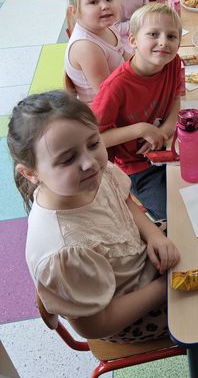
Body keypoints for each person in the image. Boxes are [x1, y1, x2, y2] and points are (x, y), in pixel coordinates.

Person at [8, 90, 179, 343]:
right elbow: (96, 326)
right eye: (68, 158)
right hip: (131, 314)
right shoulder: (63, 251)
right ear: (31, 174)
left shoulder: (89, 174)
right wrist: (164, 287)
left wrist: (153, 234)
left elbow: (122, 199)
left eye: (93, 143)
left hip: (142, 257)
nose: (89, 162)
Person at [91, 3, 182, 226]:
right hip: (137, 167)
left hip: (169, 148)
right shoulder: (115, 88)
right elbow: (94, 140)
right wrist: (141, 129)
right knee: (175, 218)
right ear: (133, 41)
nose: (164, 42)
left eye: (171, 36)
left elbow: (176, 98)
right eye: (153, 34)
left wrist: (165, 130)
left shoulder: (173, 63)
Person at [65, 0, 125, 105]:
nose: (105, 6)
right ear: (74, 11)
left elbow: (124, 54)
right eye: (93, 2)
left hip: (122, 86)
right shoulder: (86, 47)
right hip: (102, 108)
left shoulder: (107, 26)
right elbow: (108, 94)